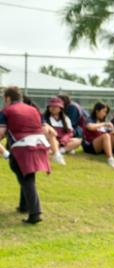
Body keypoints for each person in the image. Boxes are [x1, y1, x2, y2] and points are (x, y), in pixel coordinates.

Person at [1, 86, 50, 223]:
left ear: (7, 98)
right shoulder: (34, 109)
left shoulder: (6, 111)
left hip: (21, 147)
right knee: (26, 174)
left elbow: (1, 132)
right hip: (39, 144)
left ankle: (35, 213)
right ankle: (24, 206)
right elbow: (45, 129)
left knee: (26, 178)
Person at [83, 102, 114, 169]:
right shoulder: (90, 119)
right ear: (97, 111)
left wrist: (113, 131)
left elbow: (109, 132)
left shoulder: (101, 121)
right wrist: (104, 124)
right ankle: (110, 159)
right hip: (90, 146)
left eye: (106, 112)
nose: (105, 114)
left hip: (101, 146)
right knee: (106, 136)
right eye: (104, 111)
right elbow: (90, 127)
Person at [42, 97, 78, 163]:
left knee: (77, 141)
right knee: (54, 142)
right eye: (51, 106)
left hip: (63, 142)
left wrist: (64, 140)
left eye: (56, 106)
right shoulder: (44, 118)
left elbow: (70, 132)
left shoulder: (66, 118)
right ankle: (60, 150)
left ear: (60, 108)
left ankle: (60, 150)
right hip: (51, 141)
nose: (53, 108)